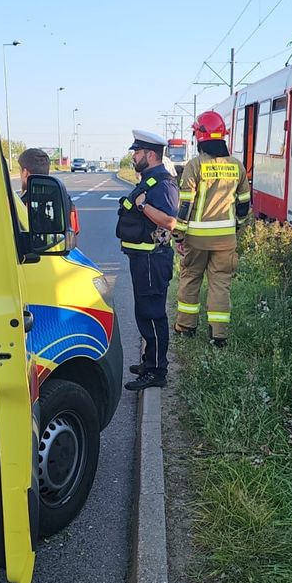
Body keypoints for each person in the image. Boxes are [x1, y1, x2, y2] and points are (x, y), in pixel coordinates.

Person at [173, 110, 251, 346]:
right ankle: (219, 335)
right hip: (226, 239)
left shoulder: (194, 166)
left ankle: (185, 328)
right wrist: (235, 227)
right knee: (220, 284)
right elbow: (244, 203)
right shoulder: (237, 166)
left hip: (196, 239)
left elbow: (185, 204)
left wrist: (178, 235)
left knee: (190, 279)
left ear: (199, 137)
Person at [117, 129, 178, 391]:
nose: (133, 157)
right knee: (145, 313)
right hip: (143, 259)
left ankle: (156, 372)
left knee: (152, 315)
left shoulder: (163, 183)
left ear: (150, 155)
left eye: (137, 152)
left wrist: (143, 206)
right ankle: (149, 362)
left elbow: (169, 221)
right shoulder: (149, 180)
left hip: (152, 259)